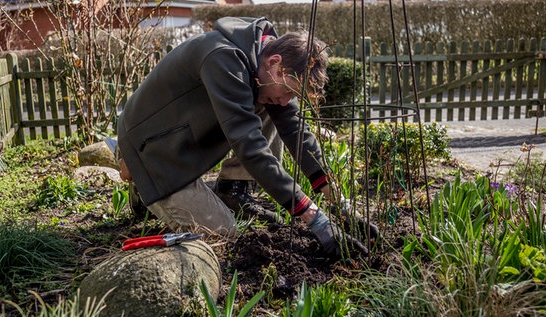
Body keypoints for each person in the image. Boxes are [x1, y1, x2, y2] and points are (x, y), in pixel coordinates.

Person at [116, 16, 374, 256]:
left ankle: (232, 188)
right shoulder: (223, 59)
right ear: (275, 64)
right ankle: (142, 182)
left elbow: (295, 131)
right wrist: (315, 219)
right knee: (223, 233)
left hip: (182, 139)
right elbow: (250, 147)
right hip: (153, 147)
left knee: (272, 105)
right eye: (290, 92)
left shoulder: (262, 61)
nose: (288, 101)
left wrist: (341, 207)